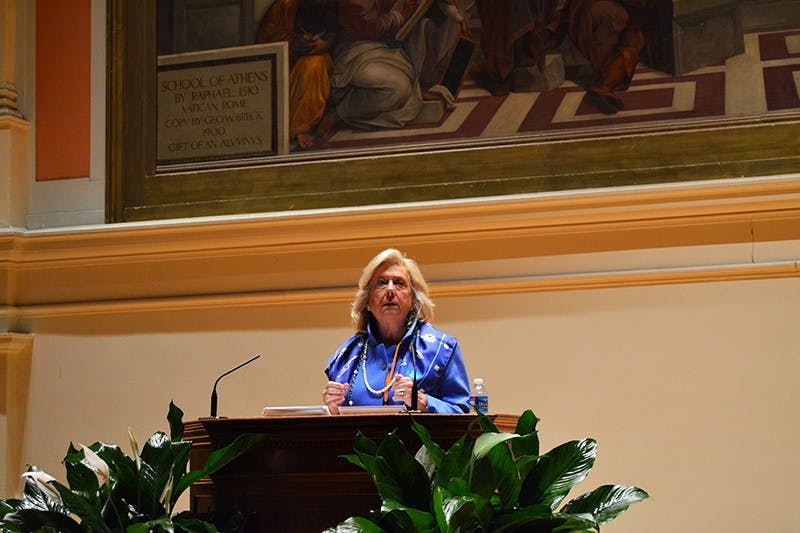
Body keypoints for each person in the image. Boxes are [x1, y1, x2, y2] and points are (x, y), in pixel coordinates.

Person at [323, 248, 471, 414]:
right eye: (382, 283)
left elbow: (463, 414)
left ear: (413, 299)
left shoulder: (441, 350)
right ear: (368, 302)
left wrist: (424, 402)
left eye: (399, 283)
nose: (390, 290)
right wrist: (331, 409)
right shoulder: (346, 357)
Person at [255, 0, 338, 149]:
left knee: (314, 64)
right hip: (287, 66)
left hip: (324, 64)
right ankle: (294, 127)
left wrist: (326, 44)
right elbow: (265, 39)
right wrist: (295, 41)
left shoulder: (333, 4)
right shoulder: (284, 6)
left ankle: (301, 126)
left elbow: (342, 33)